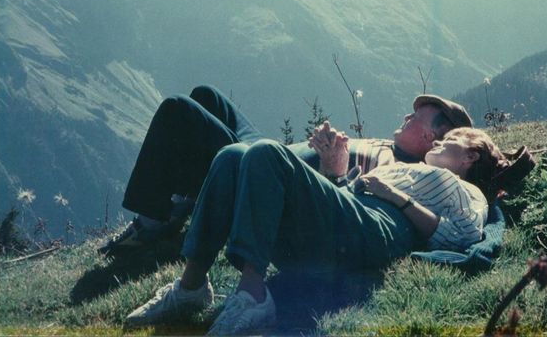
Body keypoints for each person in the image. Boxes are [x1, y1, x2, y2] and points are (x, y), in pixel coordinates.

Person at [124, 127, 510, 335]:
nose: (439, 141)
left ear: (470, 156)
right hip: (347, 220)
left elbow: (462, 235)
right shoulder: (408, 165)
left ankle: (253, 294)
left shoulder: (465, 188)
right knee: (233, 155)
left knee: (265, 152)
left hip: (381, 229)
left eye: (450, 140)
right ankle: (191, 287)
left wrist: (396, 197)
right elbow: (335, 202)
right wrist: (333, 172)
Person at [99, 85, 474, 255]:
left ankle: (151, 223)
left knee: (178, 110)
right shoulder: (385, 145)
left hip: (263, 172)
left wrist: (333, 164)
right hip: (271, 151)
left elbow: (342, 201)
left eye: (418, 113)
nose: (408, 113)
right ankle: (184, 200)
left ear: (433, 133)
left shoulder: (405, 168)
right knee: (207, 97)